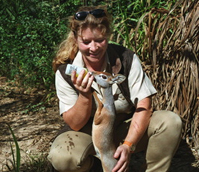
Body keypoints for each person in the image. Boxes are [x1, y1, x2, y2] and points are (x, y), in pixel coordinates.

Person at [47, 5, 182, 172]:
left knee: (170, 122)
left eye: (100, 40)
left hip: (123, 126)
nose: (94, 48)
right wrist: (84, 95)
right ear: (75, 39)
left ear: (108, 36)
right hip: (89, 132)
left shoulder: (126, 59)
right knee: (62, 157)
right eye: (87, 42)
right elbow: (74, 124)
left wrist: (128, 145)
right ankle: (96, 165)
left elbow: (144, 106)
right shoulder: (66, 72)